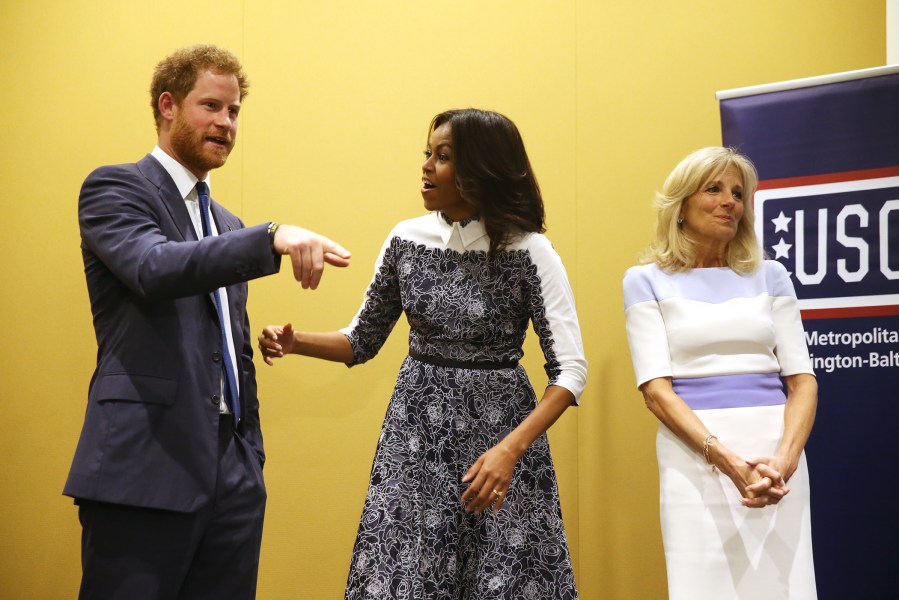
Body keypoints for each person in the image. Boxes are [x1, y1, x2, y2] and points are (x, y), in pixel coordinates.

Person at [259, 108, 587, 599]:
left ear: (482, 169)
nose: (427, 167)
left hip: (499, 446)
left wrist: (509, 451)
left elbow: (570, 372)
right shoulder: (406, 239)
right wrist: (295, 341)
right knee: (404, 578)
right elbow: (360, 340)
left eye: (444, 156)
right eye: (428, 154)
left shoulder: (531, 251)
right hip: (415, 441)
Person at [63, 44, 351, 599]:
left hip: (233, 478)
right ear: (168, 106)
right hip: (143, 468)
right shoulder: (116, 187)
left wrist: (250, 456)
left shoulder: (227, 223)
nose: (226, 123)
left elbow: (232, 350)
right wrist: (271, 238)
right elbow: (154, 266)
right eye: (211, 106)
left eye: (235, 112)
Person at [622, 146, 818, 599]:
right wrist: (727, 462)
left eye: (737, 192)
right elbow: (655, 390)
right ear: (681, 207)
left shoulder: (772, 276)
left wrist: (783, 463)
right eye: (714, 189)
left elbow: (802, 381)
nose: (731, 201)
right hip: (696, 460)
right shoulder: (644, 280)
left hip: (777, 462)